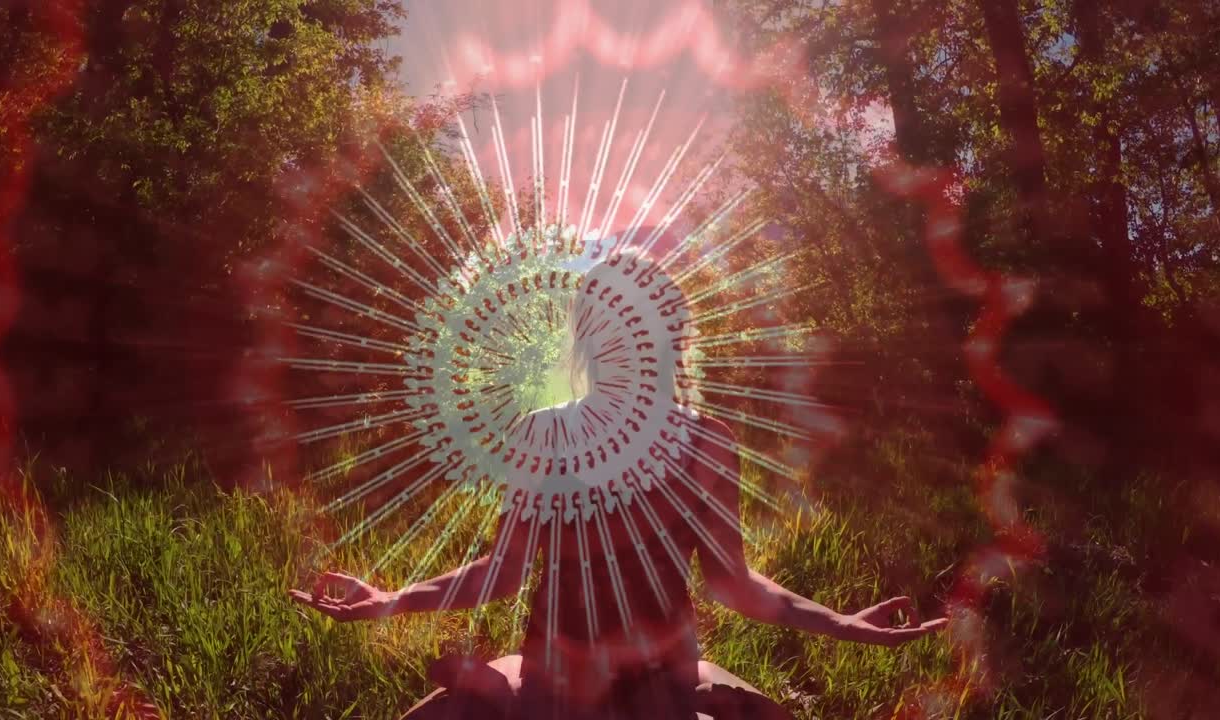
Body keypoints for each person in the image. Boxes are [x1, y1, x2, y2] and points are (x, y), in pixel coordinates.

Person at [288, 250, 949, 719]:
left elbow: (733, 583)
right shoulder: (545, 432)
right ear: (588, 339)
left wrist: (846, 625)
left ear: (669, 341)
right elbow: (508, 569)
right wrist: (388, 600)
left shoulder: (706, 440)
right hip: (553, 685)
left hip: (661, 689)